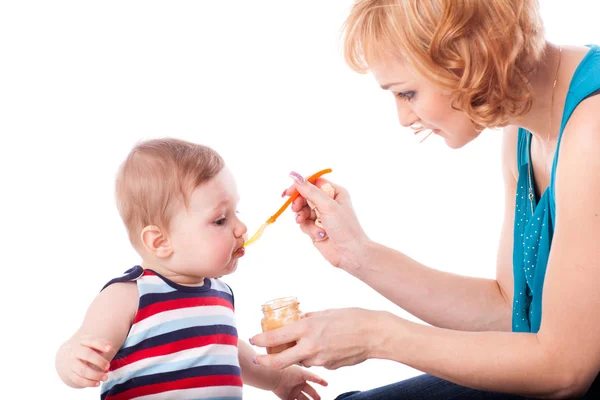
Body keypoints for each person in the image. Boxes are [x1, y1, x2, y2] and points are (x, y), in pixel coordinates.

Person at [249, 0, 600, 398]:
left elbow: (565, 368)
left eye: (407, 92)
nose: (403, 117)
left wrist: (377, 335)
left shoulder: (593, 130)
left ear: (468, 57)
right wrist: (358, 254)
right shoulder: (523, 128)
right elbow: (510, 310)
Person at [55, 138, 327, 399]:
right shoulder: (129, 295)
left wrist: (278, 379)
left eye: (237, 213)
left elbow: (231, 352)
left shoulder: (220, 292)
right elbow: (82, 344)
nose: (241, 228)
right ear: (160, 242)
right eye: (220, 220)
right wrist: (72, 361)